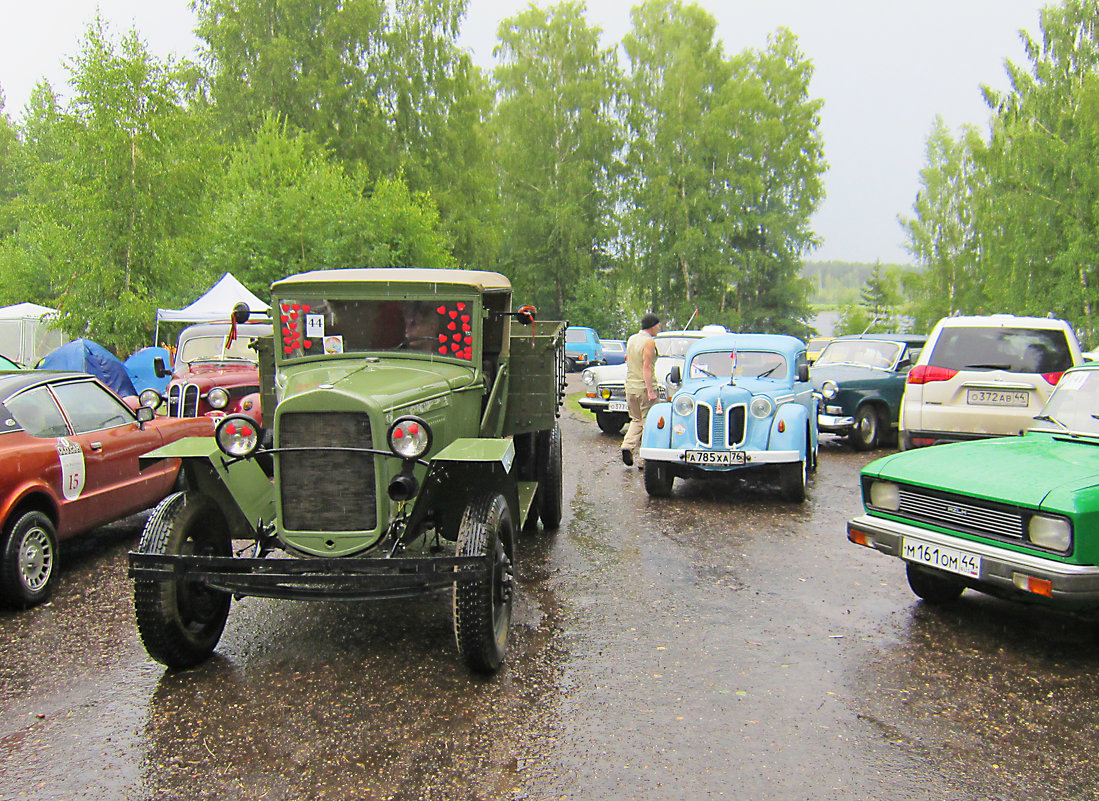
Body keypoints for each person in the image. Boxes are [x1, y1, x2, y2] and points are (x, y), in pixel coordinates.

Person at [621, 313, 661, 469]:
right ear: (652, 325)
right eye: (658, 325)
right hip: (643, 388)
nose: (659, 327)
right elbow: (647, 366)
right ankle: (644, 459)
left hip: (630, 387)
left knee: (636, 419)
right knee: (648, 422)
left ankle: (627, 445)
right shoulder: (648, 342)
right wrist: (650, 389)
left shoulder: (632, 339)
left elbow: (627, 359)